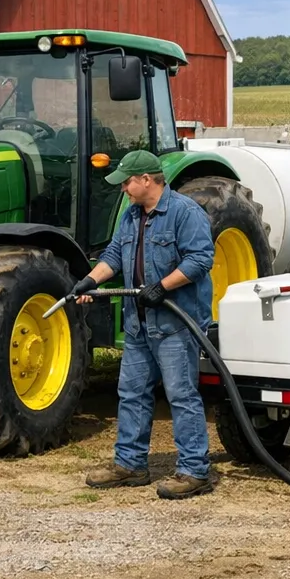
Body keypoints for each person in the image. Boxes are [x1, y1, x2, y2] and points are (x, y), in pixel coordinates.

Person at [74, 150, 216, 499]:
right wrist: (90, 281)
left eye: (126, 182)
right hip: (138, 324)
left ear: (147, 180)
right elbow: (114, 255)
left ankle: (195, 471)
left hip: (175, 323)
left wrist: (162, 287)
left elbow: (201, 259)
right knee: (132, 394)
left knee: (181, 396)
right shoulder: (131, 215)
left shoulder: (185, 213)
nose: (123, 189)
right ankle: (130, 465)